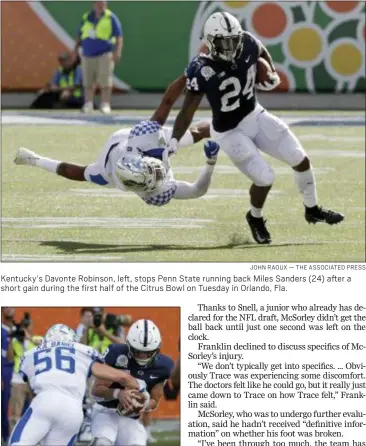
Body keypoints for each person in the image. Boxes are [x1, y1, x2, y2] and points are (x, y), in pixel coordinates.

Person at [168, 11, 344, 244]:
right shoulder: (201, 68)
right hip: (229, 131)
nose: (232, 46)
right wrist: (174, 139)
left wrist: (270, 71)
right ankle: (255, 217)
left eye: (234, 39)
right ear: (211, 41)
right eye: (225, 41)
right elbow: (187, 110)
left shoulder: (247, 42)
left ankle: (312, 209)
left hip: (254, 115)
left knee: (301, 160)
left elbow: (260, 48)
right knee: (265, 178)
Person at [14, 81, 220, 208]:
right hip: (124, 155)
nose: (159, 171)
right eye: (155, 175)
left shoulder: (144, 140)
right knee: (190, 185)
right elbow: (195, 191)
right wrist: (210, 162)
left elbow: (167, 102)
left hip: (131, 141)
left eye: (152, 169)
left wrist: (187, 75)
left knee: (195, 133)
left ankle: (229, 124)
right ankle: (222, 136)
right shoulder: (156, 192)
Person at [8, 324, 146, 446]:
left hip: (45, 402)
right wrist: (139, 387)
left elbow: (25, 375)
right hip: (73, 410)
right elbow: (115, 375)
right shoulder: (82, 350)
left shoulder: (31, 353)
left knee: (19, 443)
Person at [90, 320, 174, 446]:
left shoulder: (163, 366)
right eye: (138, 352)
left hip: (130, 418)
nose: (142, 357)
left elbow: (154, 401)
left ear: (157, 349)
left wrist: (142, 404)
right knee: (103, 442)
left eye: (148, 353)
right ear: (128, 345)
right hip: (105, 411)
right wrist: (118, 394)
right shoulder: (116, 353)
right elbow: (96, 390)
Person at [73, 1, 123, 114]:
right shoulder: (86, 17)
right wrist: (75, 50)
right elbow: (79, 35)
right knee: (88, 80)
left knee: (105, 80)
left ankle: (105, 104)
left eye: (103, 2)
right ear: (94, 4)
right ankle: (88, 104)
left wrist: (118, 52)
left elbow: (119, 36)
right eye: (98, 2)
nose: (101, 4)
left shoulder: (111, 17)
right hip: (87, 54)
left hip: (105, 54)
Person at [9, 314, 43, 433]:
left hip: (33, 380)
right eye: (23, 326)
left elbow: (44, 345)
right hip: (18, 379)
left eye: (27, 326)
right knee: (15, 412)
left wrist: (28, 338)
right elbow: (9, 358)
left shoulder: (36, 339)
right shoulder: (14, 341)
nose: (24, 329)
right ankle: (13, 437)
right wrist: (11, 339)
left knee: (38, 411)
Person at [1, 307, 15, 443]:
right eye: (8, 307)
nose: (11, 309)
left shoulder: (17, 330)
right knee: (3, 406)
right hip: (3, 372)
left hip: (15, 374)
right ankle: (5, 436)